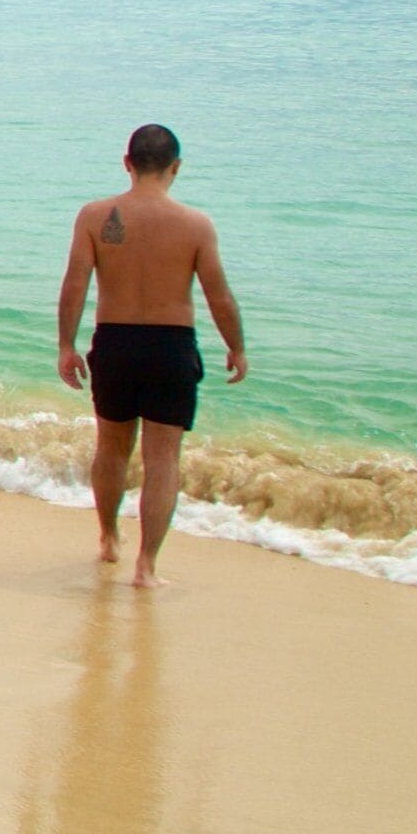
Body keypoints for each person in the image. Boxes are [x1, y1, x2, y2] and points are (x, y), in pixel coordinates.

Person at [59, 124, 243, 588]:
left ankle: (107, 537)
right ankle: (147, 566)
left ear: (127, 163)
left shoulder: (94, 216)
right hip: (170, 346)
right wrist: (236, 346)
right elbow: (219, 296)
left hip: (115, 342)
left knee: (111, 447)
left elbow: (75, 285)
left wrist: (66, 345)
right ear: (175, 168)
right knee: (163, 459)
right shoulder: (196, 224)